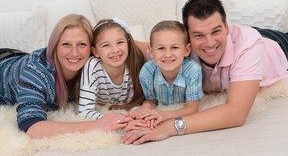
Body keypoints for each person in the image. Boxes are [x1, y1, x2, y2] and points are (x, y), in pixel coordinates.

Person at [121, 0, 288, 144]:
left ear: (226, 28)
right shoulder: (175, 50)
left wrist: (169, 127)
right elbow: (132, 46)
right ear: (187, 38)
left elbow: (236, 113)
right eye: (199, 35)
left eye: (216, 31)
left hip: (277, 44)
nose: (209, 43)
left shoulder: (249, 44)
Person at [0, 14, 131, 139]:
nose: (74, 53)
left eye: (82, 44)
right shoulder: (36, 73)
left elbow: (130, 44)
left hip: (17, 56)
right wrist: (98, 124)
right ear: (55, 46)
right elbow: (31, 127)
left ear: (92, 49)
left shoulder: (94, 59)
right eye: (66, 44)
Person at [128, 20, 203, 129]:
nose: (168, 54)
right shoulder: (147, 72)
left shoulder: (193, 71)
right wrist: (145, 109)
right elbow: (152, 100)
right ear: (151, 51)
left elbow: (192, 109)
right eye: (161, 48)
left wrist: (164, 115)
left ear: (187, 50)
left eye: (175, 47)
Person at [78, 18, 147, 131]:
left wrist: (137, 117)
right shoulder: (93, 66)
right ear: (95, 51)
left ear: (128, 43)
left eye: (120, 42)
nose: (115, 50)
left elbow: (135, 103)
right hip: (102, 106)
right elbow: (84, 111)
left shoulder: (133, 62)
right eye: (106, 45)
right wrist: (120, 122)